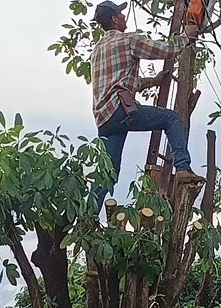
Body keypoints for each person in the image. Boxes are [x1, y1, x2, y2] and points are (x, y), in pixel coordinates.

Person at [89, 1, 203, 206]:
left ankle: (86, 219)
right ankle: (183, 168)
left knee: (108, 173)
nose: (124, 18)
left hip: (104, 120)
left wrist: (153, 81)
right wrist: (187, 37)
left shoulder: (97, 51)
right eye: (121, 15)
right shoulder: (128, 40)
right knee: (171, 118)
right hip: (120, 109)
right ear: (115, 19)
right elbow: (165, 50)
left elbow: (120, 82)